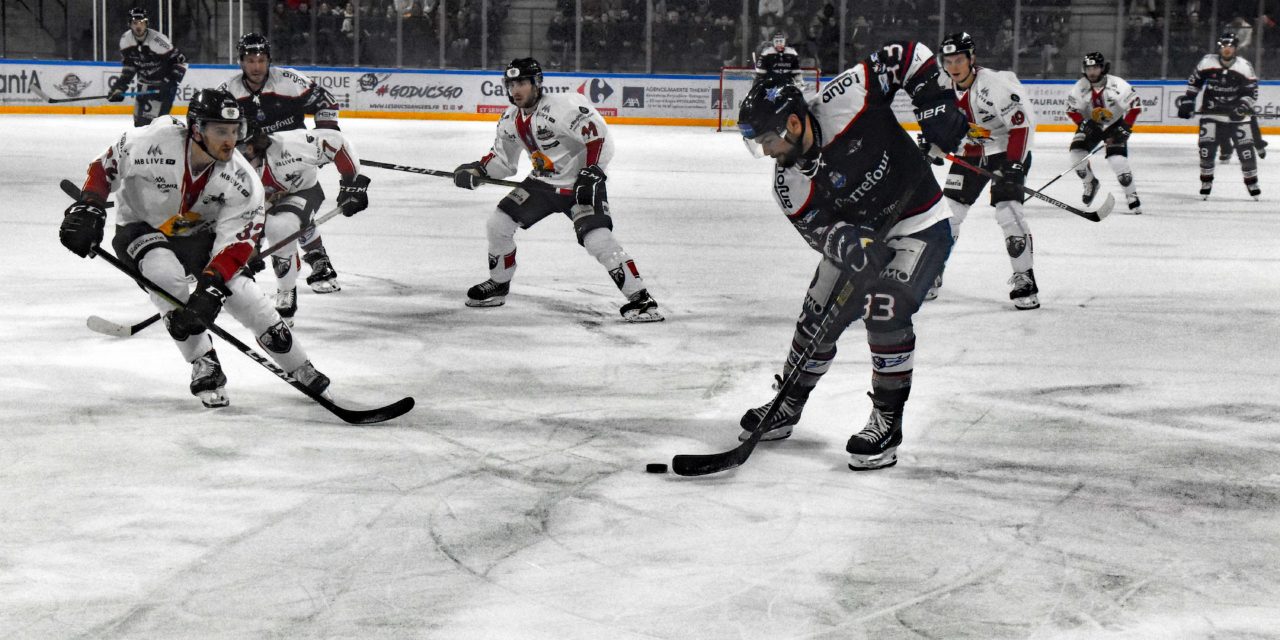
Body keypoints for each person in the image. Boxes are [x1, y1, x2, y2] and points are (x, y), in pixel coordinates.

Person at [735, 40, 968, 470]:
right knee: (817, 312)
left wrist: (935, 105)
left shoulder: (845, 99)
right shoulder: (788, 184)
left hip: (921, 223)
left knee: (885, 308)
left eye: (767, 140)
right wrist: (849, 243)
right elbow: (818, 230)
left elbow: (907, 54)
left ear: (792, 122)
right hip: (864, 234)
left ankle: (887, 420)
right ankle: (787, 402)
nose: (766, 152)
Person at [57, 90, 337, 408]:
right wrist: (90, 205)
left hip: (200, 234)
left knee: (243, 295)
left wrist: (211, 289)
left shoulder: (243, 179)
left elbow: (237, 242)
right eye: (221, 131)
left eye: (235, 131)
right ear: (196, 129)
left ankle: (300, 366)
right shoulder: (153, 140)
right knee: (165, 278)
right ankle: (203, 360)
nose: (230, 140)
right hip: (141, 226)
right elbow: (105, 164)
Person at [451, 58, 663, 322]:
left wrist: (592, 172)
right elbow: (503, 162)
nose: (515, 90)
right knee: (498, 223)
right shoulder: (510, 119)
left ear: (537, 83)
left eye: (522, 83)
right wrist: (477, 171)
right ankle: (499, 284)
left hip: (580, 185)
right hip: (541, 185)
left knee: (597, 239)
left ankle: (641, 298)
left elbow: (598, 137)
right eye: (511, 83)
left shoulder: (564, 106)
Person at [219, 32, 347, 293]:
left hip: (293, 159)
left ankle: (315, 257)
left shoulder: (289, 80)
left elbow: (327, 102)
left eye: (261, 60)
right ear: (241, 62)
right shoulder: (229, 91)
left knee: (291, 208)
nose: (256, 67)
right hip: (255, 163)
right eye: (250, 60)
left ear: (269, 60)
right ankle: (254, 254)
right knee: (254, 208)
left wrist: (319, 140)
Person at [933, 32, 1040, 310]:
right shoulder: (942, 84)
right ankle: (931, 272)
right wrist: (933, 141)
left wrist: (1015, 164)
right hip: (970, 153)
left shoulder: (994, 85)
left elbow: (1022, 125)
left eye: (959, 59)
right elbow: (940, 120)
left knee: (1008, 213)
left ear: (971, 58)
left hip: (1006, 152)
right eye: (948, 60)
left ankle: (1025, 278)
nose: (954, 66)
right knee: (948, 215)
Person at [238, 125, 371, 326]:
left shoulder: (290, 146)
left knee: (280, 226)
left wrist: (351, 184)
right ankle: (317, 254)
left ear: (251, 147)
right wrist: (249, 247)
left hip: (303, 191)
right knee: (278, 224)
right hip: (263, 201)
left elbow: (337, 141)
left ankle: (286, 291)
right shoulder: (226, 168)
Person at [1177, 32, 1261, 200]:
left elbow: (1252, 91)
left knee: (1246, 151)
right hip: (1211, 113)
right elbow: (1195, 83)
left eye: (1230, 46)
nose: (1227, 49)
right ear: (1219, 47)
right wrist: (1188, 101)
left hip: (1237, 116)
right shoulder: (1207, 62)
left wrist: (1242, 106)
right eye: (1224, 46)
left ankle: (1251, 182)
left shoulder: (1244, 66)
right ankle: (1206, 181)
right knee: (1206, 149)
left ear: (1236, 48)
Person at [1065, 52, 1144, 214]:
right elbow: (1071, 110)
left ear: (1103, 68)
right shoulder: (1080, 86)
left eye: (1095, 68)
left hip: (1115, 125)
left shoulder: (1118, 85)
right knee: (1076, 156)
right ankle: (1090, 183)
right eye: (1088, 68)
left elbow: (1135, 107)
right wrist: (1082, 123)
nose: (1091, 72)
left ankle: (1131, 194)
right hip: (1091, 125)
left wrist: (1125, 127)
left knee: (1117, 161)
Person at [107, 7, 187, 127]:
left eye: (142, 22)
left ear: (146, 23)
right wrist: (120, 87)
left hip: (163, 87)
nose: (138, 26)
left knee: (156, 126)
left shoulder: (158, 41)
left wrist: (170, 82)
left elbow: (181, 61)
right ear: (129, 24)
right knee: (139, 125)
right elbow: (130, 66)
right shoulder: (125, 40)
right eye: (135, 23)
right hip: (144, 85)